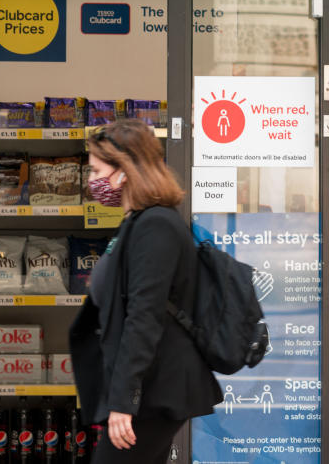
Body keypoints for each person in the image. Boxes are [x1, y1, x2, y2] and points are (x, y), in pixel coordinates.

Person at [70, 119, 222, 463]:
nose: (92, 182)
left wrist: (124, 402)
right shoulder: (138, 222)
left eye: (96, 171)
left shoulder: (155, 225)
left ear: (124, 172)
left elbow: (145, 316)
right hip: (148, 388)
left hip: (153, 391)